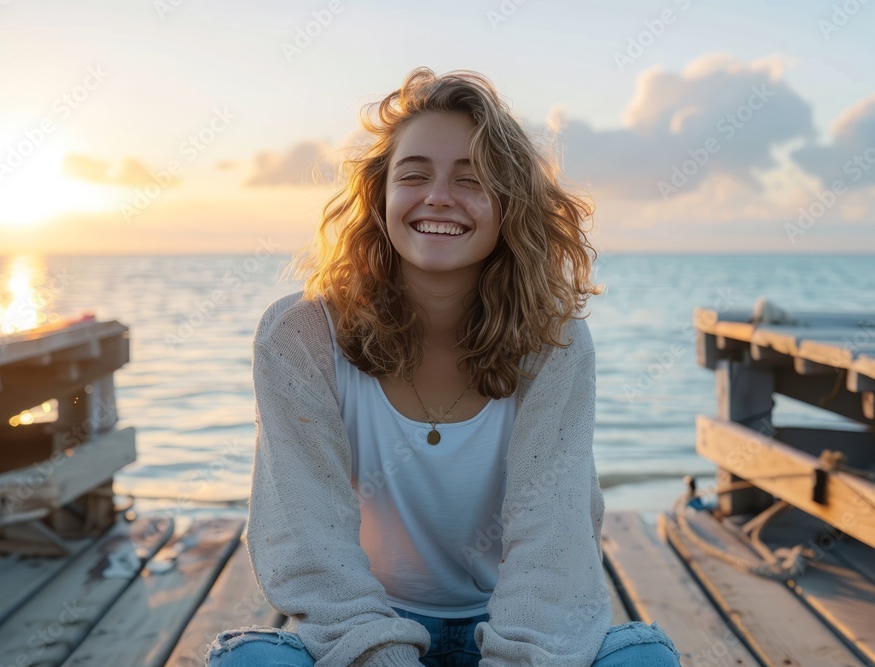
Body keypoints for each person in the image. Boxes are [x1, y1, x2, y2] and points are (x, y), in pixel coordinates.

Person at [206, 67, 680, 667]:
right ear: (379, 198)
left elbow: (552, 541)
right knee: (248, 663)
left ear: (510, 206)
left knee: (644, 659)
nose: (438, 197)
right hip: (365, 626)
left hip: (514, 627)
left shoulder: (555, 343)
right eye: (414, 175)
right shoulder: (298, 336)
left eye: (472, 179)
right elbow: (308, 541)